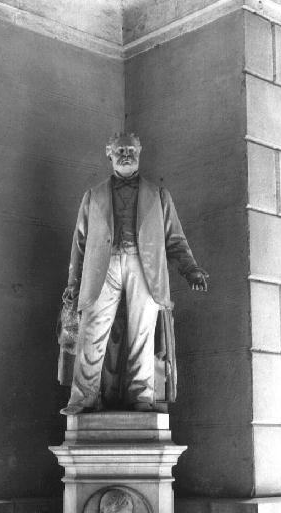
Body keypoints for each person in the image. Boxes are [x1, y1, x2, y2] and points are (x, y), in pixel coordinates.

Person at [60, 132, 208, 415]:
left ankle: (141, 397)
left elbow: (175, 239)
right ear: (109, 153)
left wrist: (191, 270)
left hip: (145, 267)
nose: (125, 154)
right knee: (92, 330)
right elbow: (79, 244)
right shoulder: (93, 196)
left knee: (143, 332)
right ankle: (83, 398)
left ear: (140, 151)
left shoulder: (159, 195)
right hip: (103, 267)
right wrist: (73, 282)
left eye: (130, 149)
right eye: (119, 150)